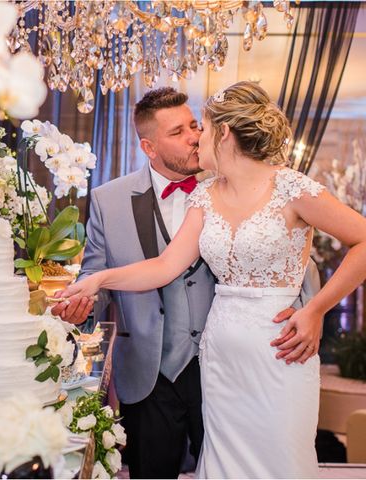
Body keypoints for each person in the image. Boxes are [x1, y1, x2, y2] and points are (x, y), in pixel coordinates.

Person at [60, 81, 366, 478]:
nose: (195, 138)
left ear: (223, 133)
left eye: (199, 126)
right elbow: (164, 266)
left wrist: (317, 309)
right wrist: (98, 279)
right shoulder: (206, 197)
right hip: (220, 356)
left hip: (279, 351)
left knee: (281, 459)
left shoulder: (292, 187)